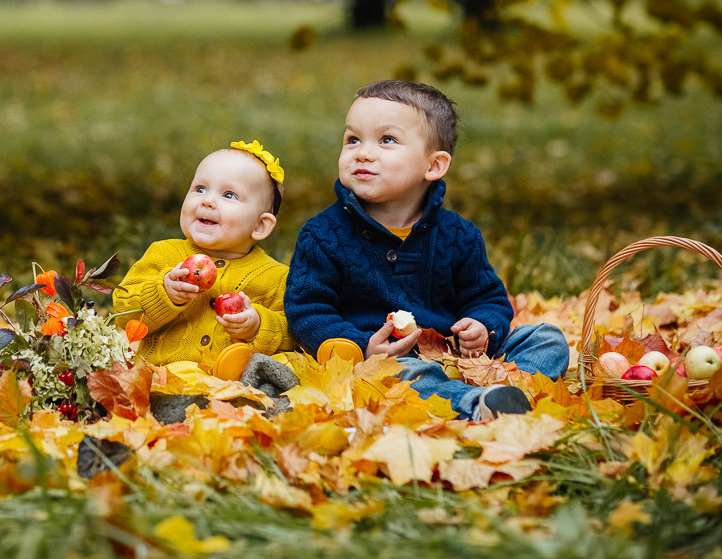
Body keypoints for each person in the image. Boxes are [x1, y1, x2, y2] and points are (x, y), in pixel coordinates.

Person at [284, 80, 569, 420]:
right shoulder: (323, 234)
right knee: (398, 376)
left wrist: (482, 328)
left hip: (458, 356)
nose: (362, 152)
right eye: (352, 139)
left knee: (546, 337)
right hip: (385, 364)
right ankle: (473, 403)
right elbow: (307, 311)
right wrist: (363, 348)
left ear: (433, 166)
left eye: (386, 140)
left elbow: (488, 298)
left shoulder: (458, 235)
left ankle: (506, 394)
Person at [113, 141, 297, 368]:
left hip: (235, 386)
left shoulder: (276, 277)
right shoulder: (164, 254)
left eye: (229, 195)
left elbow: (295, 332)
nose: (207, 200)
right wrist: (164, 293)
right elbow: (124, 312)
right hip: (163, 378)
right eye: (200, 189)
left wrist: (258, 325)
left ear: (260, 225)